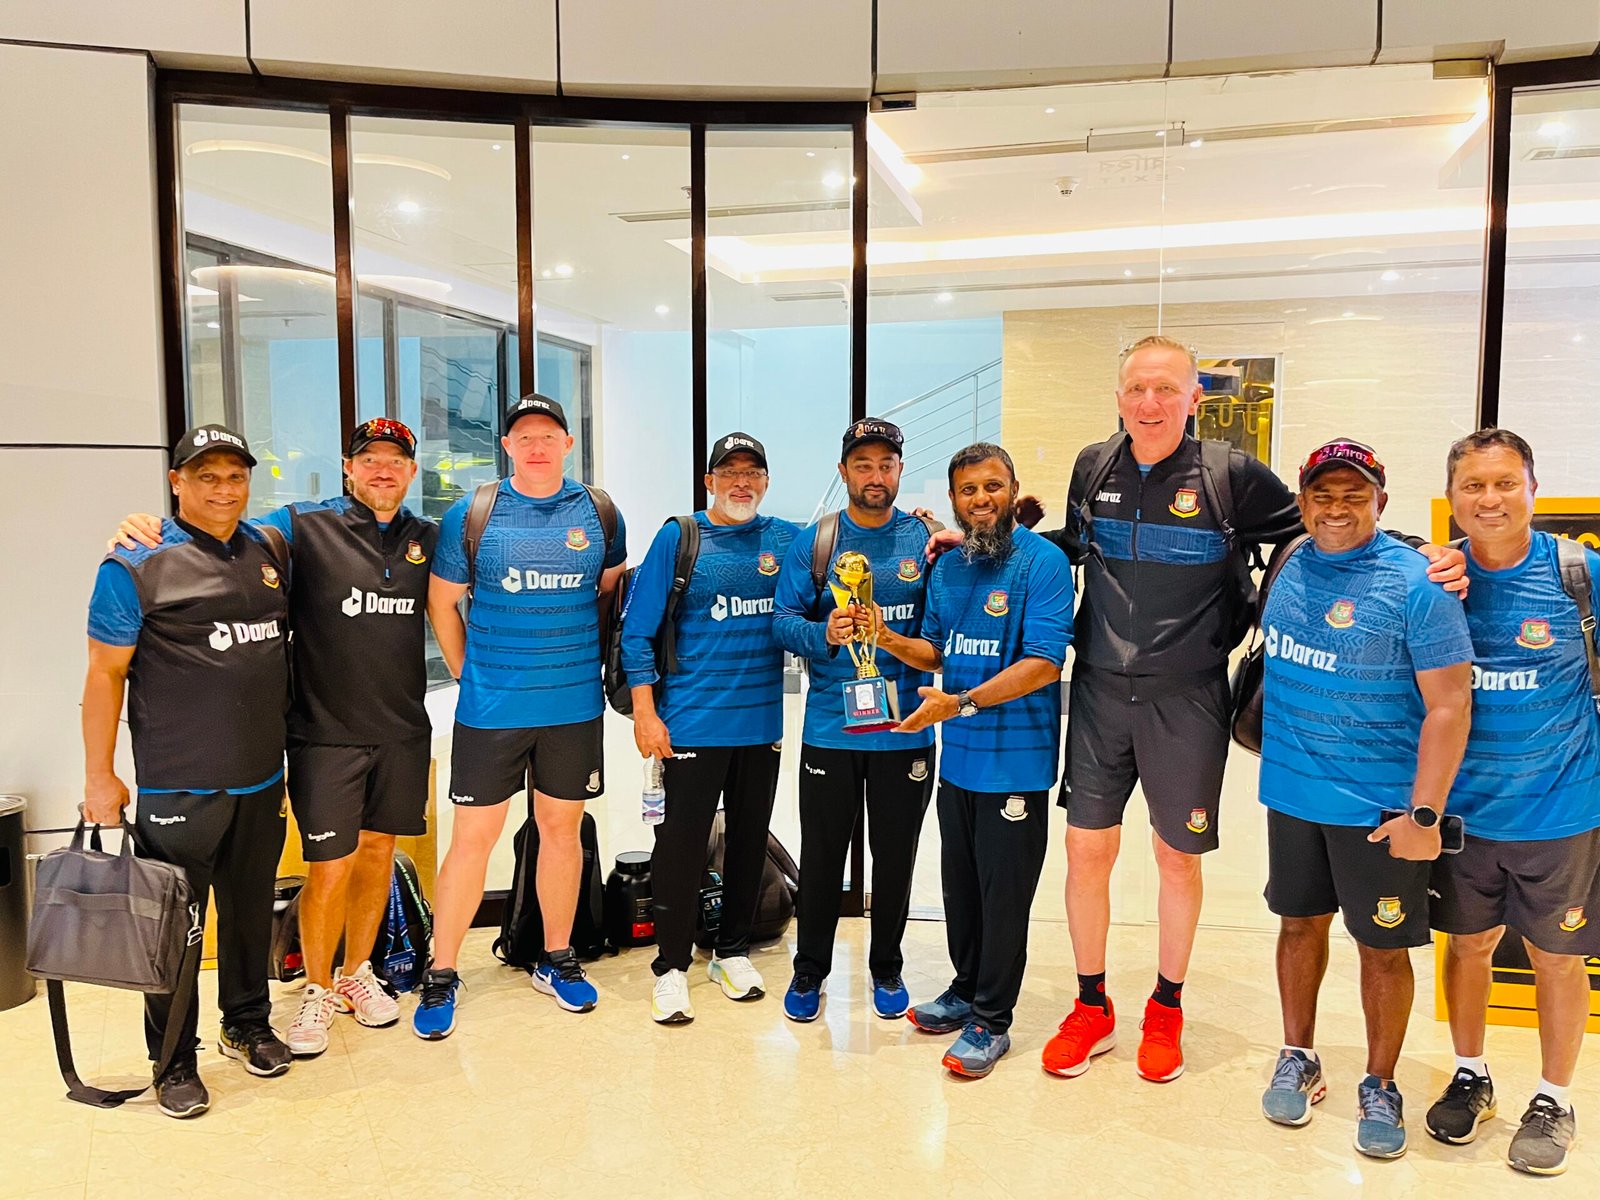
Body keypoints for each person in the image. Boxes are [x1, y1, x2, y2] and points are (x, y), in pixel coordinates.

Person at [1028, 335, 1466, 1085]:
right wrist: (995, 545)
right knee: (1085, 851)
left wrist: (1422, 551)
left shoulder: (1229, 475)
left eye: (1167, 389)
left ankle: (1166, 1008)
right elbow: (1075, 542)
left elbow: (1322, 525)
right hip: (1098, 690)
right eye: (1137, 388)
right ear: (1119, 396)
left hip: (1189, 695)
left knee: (1176, 858)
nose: (1150, 403)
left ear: (1194, 398)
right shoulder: (1092, 465)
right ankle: (1091, 1005)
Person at [112, 417, 437, 1057]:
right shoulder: (299, 527)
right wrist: (147, 528)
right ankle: (318, 987)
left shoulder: (427, 535)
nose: (382, 470)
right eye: (369, 458)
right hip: (322, 733)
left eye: (395, 460)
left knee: (379, 855)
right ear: (348, 467)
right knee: (330, 867)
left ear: (411, 471)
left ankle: (357, 972)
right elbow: (221, 530)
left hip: (401, 730)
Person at [1255, 438, 1473, 1160]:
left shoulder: (1419, 582)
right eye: (1323, 495)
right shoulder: (1288, 561)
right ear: (1302, 501)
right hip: (1292, 795)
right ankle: (1298, 1055)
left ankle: (1381, 1083)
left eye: (1355, 496)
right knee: (1297, 929)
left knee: (1382, 950)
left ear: (1382, 500)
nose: (1337, 509)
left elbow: (1450, 706)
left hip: (1381, 811)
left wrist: (1424, 815)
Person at [83, 423, 293, 1118]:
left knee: (248, 914)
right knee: (175, 929)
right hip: (179, 783)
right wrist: (100, 777)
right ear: (177, 482)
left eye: (235, 476)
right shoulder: (135, 564)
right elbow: (105, 676)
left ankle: (247, 1025)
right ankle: (172, 1058)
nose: (223, 489)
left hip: (260, 778)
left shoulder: (269, 549)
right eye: (206, 476)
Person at [415, 394, 627, 1037]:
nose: (537, 446)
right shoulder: (473, 513)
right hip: (492, 711)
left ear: (567, 444)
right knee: (472, 839)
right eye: (524, 437)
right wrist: (468, 673)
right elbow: (442, 602)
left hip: (572, 707)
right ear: (506, 446)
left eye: (548, 436)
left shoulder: (599, 512)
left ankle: (557, 958)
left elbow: (609, 593)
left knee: (561, 832)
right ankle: (442, 972)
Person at [1425, 428, 1600, 1176]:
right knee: (1467, 948)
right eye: (1473, 486)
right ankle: (1471, 1075)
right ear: (1452, 496)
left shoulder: (1578, 572)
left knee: (1556, 959)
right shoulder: (1435, 579)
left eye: (1505, 483)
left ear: (1533, 488)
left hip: (1561, 811)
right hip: (1465, 813)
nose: (1489, 499)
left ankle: (1555, 1099)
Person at [874, 442, 1073, 1078]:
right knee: (961, 892)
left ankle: (992, 1019)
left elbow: (1044, 663)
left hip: (1015, 764)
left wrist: (960, 703)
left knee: (1003, 897)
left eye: (993, 486)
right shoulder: (950, 568)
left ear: (1013, 490)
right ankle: (965, 989)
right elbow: (935, 651)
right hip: (957, 761)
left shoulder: (1044, 563)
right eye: (968, 490)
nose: (981, 499)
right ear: (954, 501)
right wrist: (882, 635)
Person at [622, 432, 798, 1024]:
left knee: (749, 841)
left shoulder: (785, 540)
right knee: (680, 846)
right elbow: (637, 633)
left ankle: (731, 952)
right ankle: (671, 967)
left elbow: (846, 552)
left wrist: (927, 531)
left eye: (752, 473)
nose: (741, 483)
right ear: (709, 482)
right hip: (689, 725)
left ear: (766, 482)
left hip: (760, 725)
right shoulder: (680, 537)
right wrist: (646, 713)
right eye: (729, 473)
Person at [771, 418, 939, 1023]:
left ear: (900, 470)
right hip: (830, 731)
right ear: (843, 471)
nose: (875, 476)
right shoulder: (816, 542)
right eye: (863, 465)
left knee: (896, 858)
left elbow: (941, 635)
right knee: (822, 856)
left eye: (885, 465)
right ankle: (809, 970)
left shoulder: (925, 542)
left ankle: (887, 967)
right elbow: (782, 621)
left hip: (906, 729)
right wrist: (824, 633)